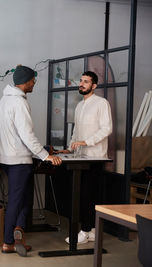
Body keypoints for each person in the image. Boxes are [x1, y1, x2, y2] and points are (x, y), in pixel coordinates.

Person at [0, 65, 62, 257]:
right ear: (25, 81)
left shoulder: (5, 100)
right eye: (33, 80)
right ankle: (8, 242)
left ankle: (19, 232)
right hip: (19, 159)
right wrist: (45, 155)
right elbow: (27, 134)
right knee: (17, 201)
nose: (34, 83)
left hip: (8, 158)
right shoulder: (20, 103)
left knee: (24, 198)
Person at [63, 71, 112, 245]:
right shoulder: (79, 106)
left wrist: (86, 142)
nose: (82, 84)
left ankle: (84, 231)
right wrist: (70, 148)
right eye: (81, 81)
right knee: (83, 194)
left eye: (86, 81)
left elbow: (107, 129)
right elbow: (76, 131)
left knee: (89, 195)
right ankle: (91, 230)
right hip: (80, 157)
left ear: (94, 85)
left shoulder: (101, 103)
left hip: (96, 157)